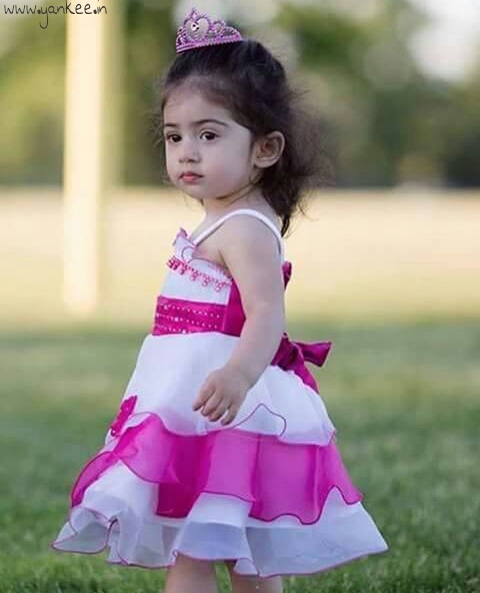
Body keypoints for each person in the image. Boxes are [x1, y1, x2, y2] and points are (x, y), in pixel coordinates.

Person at [50, 6, 389, 592]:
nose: (187, 151)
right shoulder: (223, 220)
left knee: (199, 548)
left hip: (226, 407)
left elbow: (267, 314)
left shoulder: (245, 228)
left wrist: (237, 374)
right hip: (197, 402)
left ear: (265, 149)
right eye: (174, 136)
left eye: (208, 135)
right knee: (231, 545)